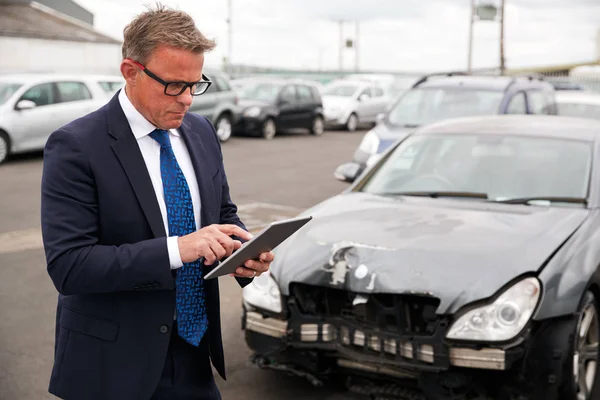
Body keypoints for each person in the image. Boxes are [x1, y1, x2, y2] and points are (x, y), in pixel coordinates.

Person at [40, 5, 273, 400]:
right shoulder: (77, 146)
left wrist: (244, 255)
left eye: (195, 85)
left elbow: (221, 215)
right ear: (130, 71)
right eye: (174, 85)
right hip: (114, 366)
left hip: (196, 355)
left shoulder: (200, 132)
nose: (187, 100)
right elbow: (70, 267)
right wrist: (178, 249)